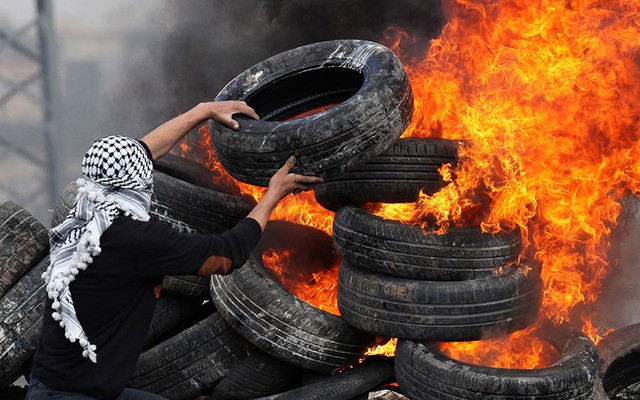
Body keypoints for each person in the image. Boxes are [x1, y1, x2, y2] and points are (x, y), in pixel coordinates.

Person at [26, 101, 323, 400]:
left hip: (60, 386)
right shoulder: (135, 240)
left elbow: (144, 152)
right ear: (136, 181)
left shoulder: (85, 216)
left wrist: (203, 111)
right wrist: (273, 195)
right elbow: (225, 255)